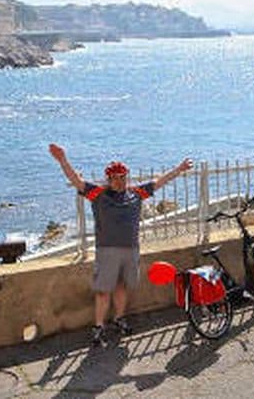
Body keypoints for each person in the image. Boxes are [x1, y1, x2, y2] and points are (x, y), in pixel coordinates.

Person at [49, 144, 193, 346]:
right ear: (109, 179)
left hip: (131, 250)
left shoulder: (136, 194)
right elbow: (76, 181)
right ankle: (99, 327)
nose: (121, 180)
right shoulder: (98, 194)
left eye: (123, 176)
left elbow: (159, 182)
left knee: (121, 288)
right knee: (103, 291)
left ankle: (119, 319)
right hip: (107, 251)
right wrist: (63, 160)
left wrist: (179, 169)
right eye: (116, 177)